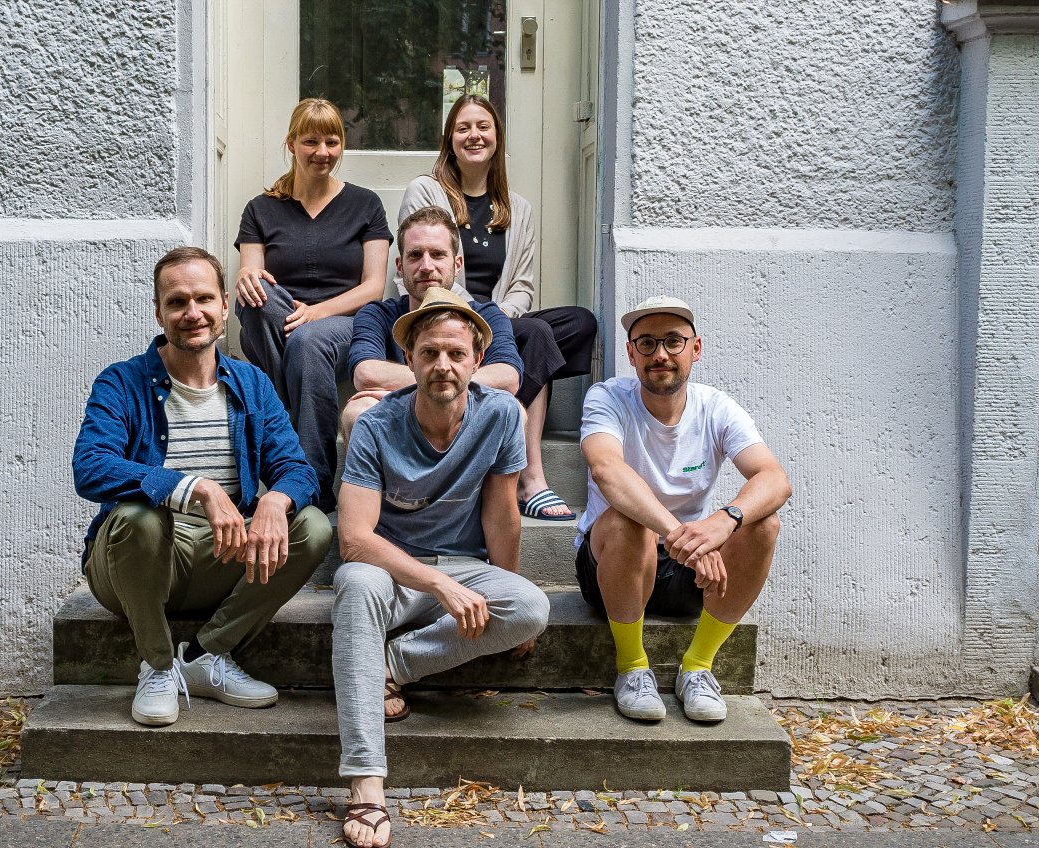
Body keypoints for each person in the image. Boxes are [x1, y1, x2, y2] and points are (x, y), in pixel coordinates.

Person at [73, 246, 332, 727]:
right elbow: (90, 467)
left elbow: (298, 468)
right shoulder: (122, 383)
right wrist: (196, 488)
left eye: (203, 299)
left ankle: (207, 656)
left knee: (313, 527)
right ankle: (156, 665)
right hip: (139, 563)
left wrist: (277, 497)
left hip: (224, 556)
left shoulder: (251, 383)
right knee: (136, 516)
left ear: (225, 305)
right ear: (159, 312)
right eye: (177, 302)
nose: (192, 313)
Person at [331, 283, 550, 848]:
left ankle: (393, 665)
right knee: (354, 583)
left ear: (478, 359)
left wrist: (507, 585)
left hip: (464, 563)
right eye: (429, 353)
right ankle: (366, 782)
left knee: (531, 606)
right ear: (409, 360)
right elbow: (355, 539)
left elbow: (503, 514)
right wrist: (438, 584)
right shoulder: (376, 424)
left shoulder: (500, 412)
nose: (443, 366)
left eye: (456, 353)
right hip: (391, 570)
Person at [576, 296, 791, 722]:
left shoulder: (717, 408)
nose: (661, 355)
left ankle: (697, 667)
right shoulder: (607, 397)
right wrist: (685, 536)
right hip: (611, 566)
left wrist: (722, 523)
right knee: (627, 519)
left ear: (695, 349)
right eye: (647, 343)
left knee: (762, 524)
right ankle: (632, 668)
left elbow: (774, 478)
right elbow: (606, 469)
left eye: (673, 342)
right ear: (631, 353)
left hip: (687, 572)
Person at [398, 93, 597, 521]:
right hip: (448, 316)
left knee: (579, 323)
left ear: (496, 137)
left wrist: (501, 317)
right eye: (464, 127)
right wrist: (481, 317)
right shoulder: (426, 191)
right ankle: (531, 478)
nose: (474, 135)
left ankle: (486, 409)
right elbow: (425, 271)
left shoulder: (516, 208)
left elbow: (523, 285)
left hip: (502, 317)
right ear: (449, 139)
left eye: (483, 127)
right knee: (538, 339)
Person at [234, 98, 393, 512]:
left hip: (346, 321)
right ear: (291, 144)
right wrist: (247, 277)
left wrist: (317, 312)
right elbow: (252, 276)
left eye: (332, 141)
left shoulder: (365, 204)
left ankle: (314, 483)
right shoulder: (260, 209)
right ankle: (289, 409)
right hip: (281, 318)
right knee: (254, 298)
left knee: (308, 340)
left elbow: (374, 287)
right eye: (311, 141)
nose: (323, 152)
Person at [341, 205, 523, 444]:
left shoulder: (486, 314)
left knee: (516, 410)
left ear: (457, 265)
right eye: (415, 255)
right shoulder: (377, 314)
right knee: (357, 411)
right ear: (399, 265)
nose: (426, 266)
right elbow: (366, 374)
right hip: (400, 420)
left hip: (466, 418)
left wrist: (417, 387)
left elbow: (507, 377)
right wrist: (448, 385)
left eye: (437, 254)